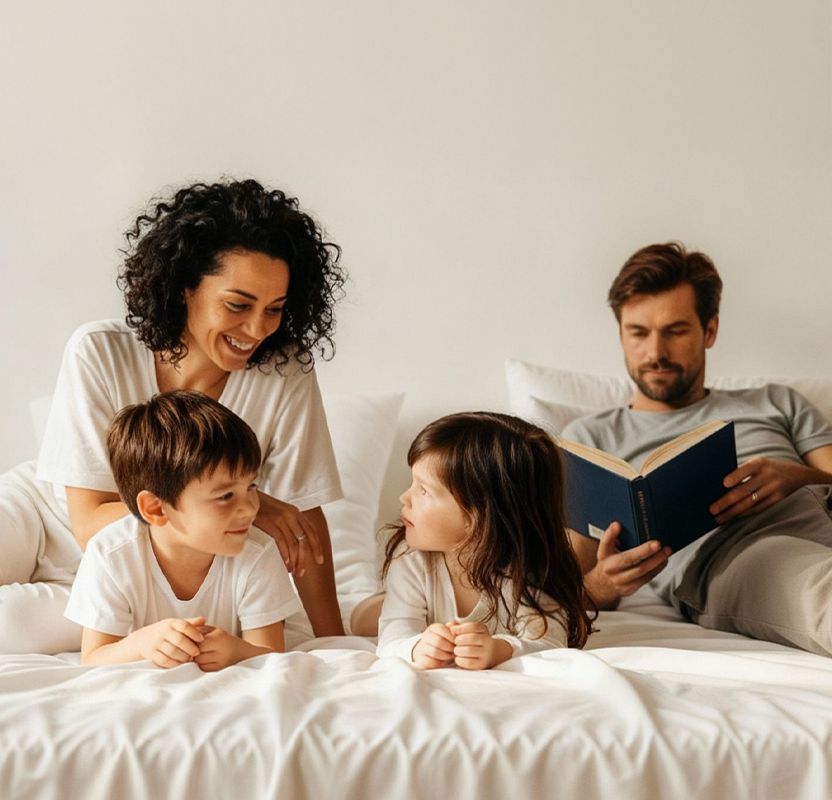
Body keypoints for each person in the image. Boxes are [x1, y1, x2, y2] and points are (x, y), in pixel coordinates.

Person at [1, 178, 345, 653]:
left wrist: (336, 643)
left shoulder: (284, 371)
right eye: (238, 305)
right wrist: (248, 502)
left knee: (12, 625)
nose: (257, 329)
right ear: (185, 288)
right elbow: (86, 524)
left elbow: (303, 520)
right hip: (51, 523)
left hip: (149, 564)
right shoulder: (99, 351)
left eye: (275, 310)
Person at [564, 241, 832, 655]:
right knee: (820, 589)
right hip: (742, 554)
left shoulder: (778, 401)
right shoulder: (589, 439)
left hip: (822, 510)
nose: (655, 353)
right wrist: (604, 585)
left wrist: (798, 476)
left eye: (675, 331)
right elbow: (572, 587)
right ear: (620, 335)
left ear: (709, 330)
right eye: (638, 333)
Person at [65, 390, 300, 669]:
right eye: (226, 496)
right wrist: (141, 644)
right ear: (155, 508)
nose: (250, 509)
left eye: (251, 487)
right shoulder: (110, 555)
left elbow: (272, 654)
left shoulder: (257, 553)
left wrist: (237, 651)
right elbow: (92, 658)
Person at [374, 412, 592, 668]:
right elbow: (392, 638)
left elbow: (551, 641)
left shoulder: (525, 568)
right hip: (405, 594)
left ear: (479, 516)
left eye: (423, 490)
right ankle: (376, 604)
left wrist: (500, 648)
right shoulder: (410, 556)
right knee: (361, 618)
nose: (404, 497)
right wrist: (417, 646)